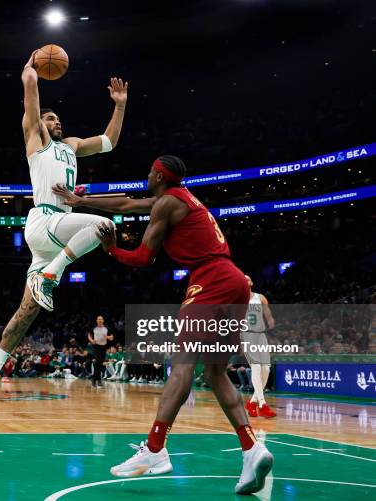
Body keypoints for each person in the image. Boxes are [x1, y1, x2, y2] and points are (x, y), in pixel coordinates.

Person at [55, 156, 273, 495]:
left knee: (182, 365)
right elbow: (128, 203)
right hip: (235, 281)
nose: (145, 175)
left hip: (210, 281)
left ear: (158, 175)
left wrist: (111, 249)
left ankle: (155, 448)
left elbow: (143, 257)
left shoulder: (167, 203)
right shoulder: (177, 199)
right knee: (216, 374)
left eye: (148, 171)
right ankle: (252, 448)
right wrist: (81, 200)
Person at [0, 49, 128, 411]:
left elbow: (109, 142)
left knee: (26, 313)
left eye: (58, 119)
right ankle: (53, 272)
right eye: (50, 118)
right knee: (104, 224)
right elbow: (32, 97)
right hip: (46, 219)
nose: (56, 122)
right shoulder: (36, 138)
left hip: (54, 231)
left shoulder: (71, 146)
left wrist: (119, 105)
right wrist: (31, 72)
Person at [242, 275, 276, 419]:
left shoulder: (260, 297)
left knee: (266, 369)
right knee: (256, 367)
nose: (245, 279)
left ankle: (252, 402)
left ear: (252, 282)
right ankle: (262, 405)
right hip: (247, 334)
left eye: (247, 278)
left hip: (260, 335)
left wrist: (270, 321)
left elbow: (268, 314)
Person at [88, 315, 113, 387]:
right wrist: (92, 340)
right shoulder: (94, 328)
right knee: (98, 362)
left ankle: (94, 379)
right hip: (96, 347)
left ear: (103, 320)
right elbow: (89, 335)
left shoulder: (107, 328)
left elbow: (112, 337)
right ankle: (98, 380)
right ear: (96, 321)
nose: (100, 320)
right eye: (98, 319)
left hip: (103, 347)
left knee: (99, 363)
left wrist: (107, 337)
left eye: (101, 319)